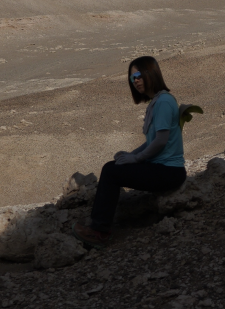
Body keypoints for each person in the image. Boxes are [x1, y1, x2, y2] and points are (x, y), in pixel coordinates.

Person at [72, 56, 187, 248]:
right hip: (161, 168)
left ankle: (99, 232)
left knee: (111, 172)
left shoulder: (164, 102)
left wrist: (137, 158)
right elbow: (151, 142)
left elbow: (161, 141)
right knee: (113, 166)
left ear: (151, 73)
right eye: (132, 78)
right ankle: (98, 225)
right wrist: (131, 155)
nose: (136, 81)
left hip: (169, 172)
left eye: (139, 75)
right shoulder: (157, 101)